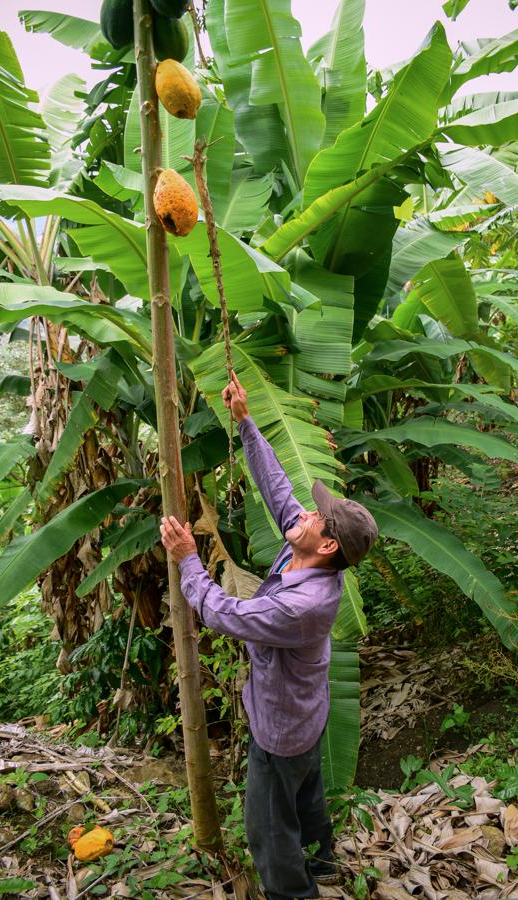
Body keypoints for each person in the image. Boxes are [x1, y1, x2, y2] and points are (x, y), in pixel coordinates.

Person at [160, 373, 378, 900]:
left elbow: (221, 612)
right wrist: (245, 424)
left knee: (268, 828)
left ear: (327, 545)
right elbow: (279, 490)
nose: (304, 511)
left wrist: (189, 560)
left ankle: (293, 892)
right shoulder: (307, 548)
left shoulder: (304, 606)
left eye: (315, 516)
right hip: (306, 714)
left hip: (280, 729)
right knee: (305, 795)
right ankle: (323, 859)